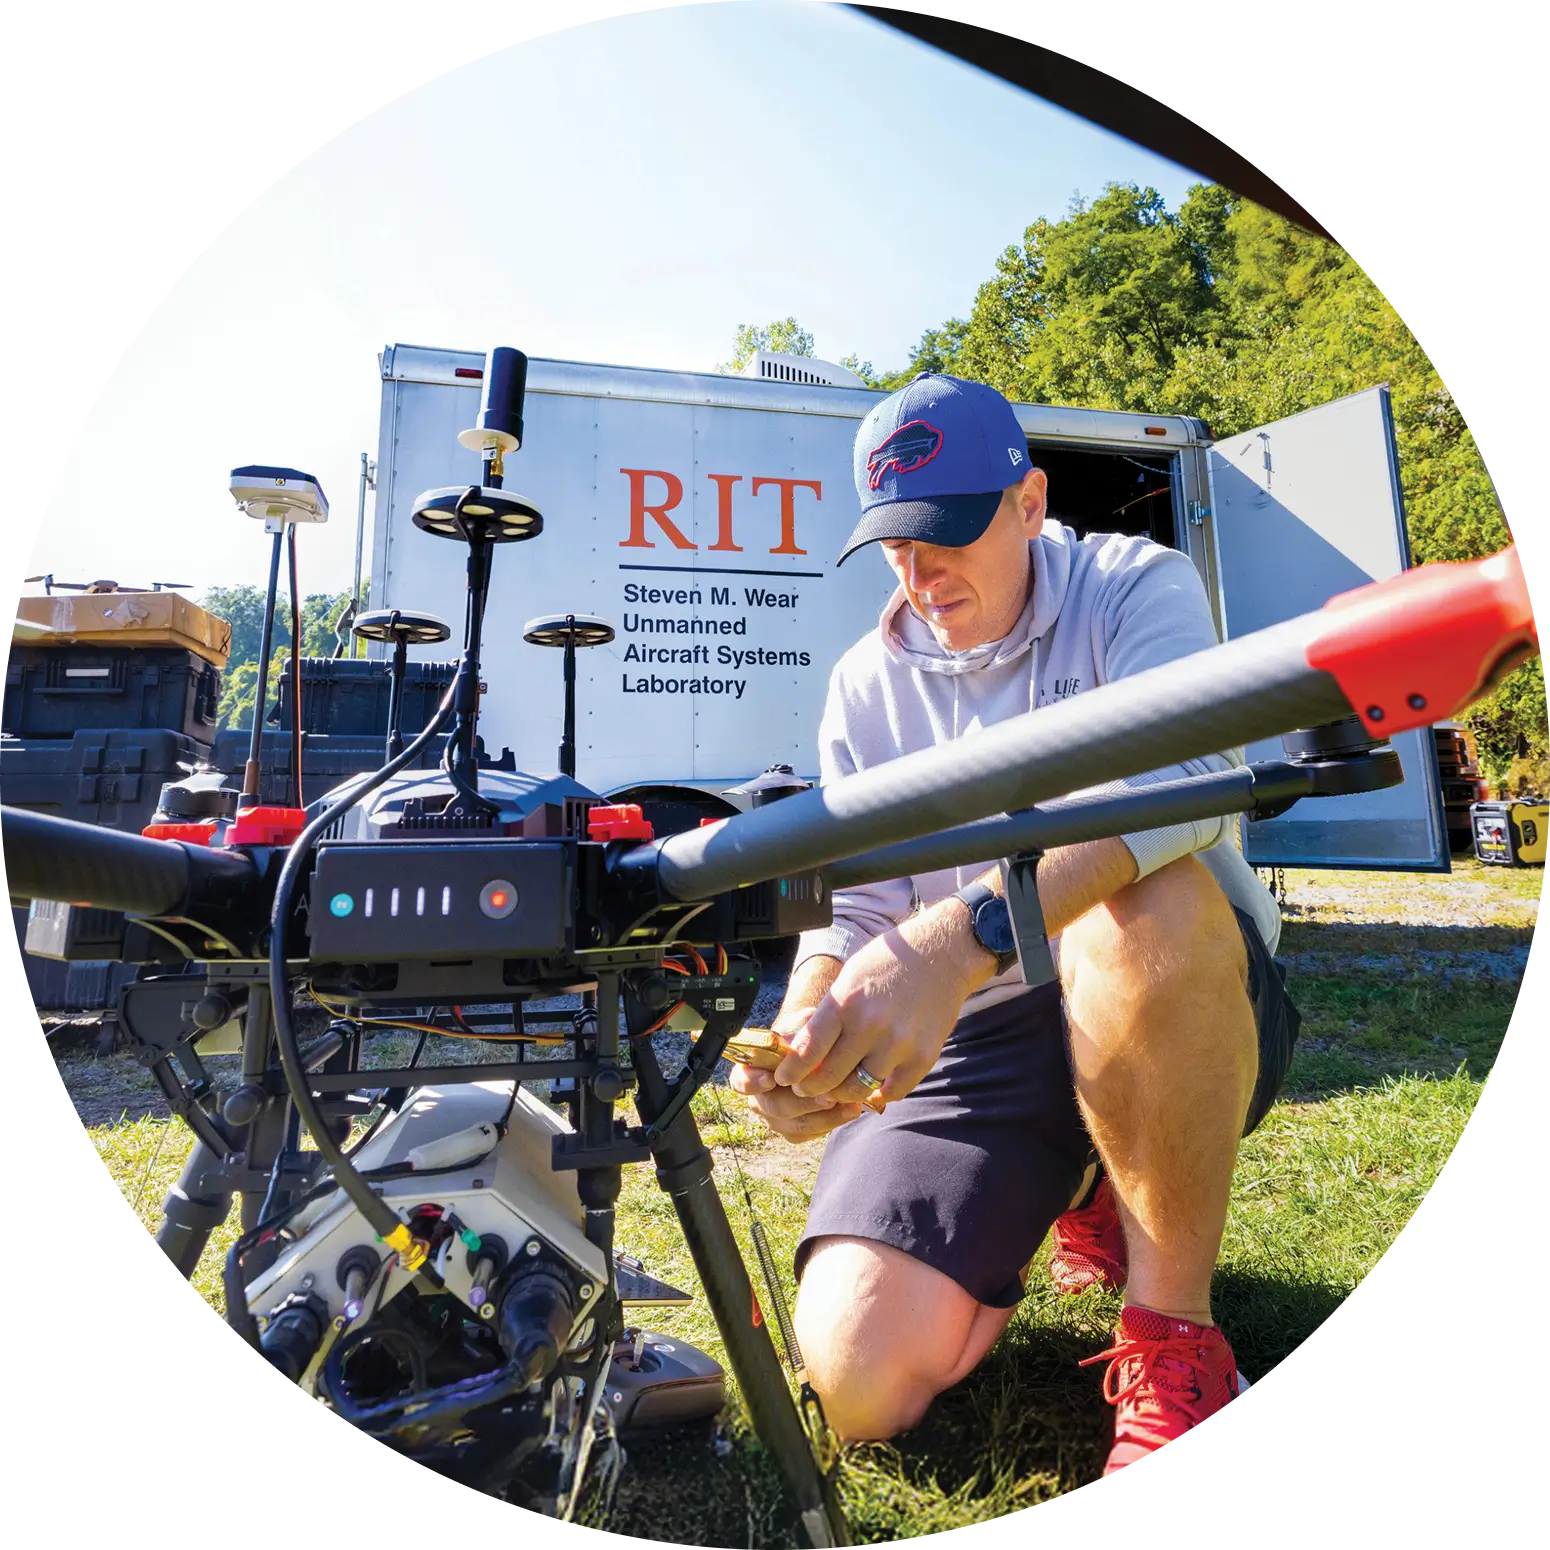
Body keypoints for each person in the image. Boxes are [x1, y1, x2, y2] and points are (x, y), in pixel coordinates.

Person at [728, 371, 1301, 1477]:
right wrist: (808, 1008)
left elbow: (1187, 783)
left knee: (1140, 886)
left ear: (1030, 502)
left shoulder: (1133, 585)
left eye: (945, 532)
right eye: (893, 542)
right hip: (979, 1034)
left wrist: (955, 940)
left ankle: (1174, 1332)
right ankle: (1083, 1179)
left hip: (1168, 985)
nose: (917, 571)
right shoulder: (863, 682)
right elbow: (845, 898)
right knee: (856, 1380)